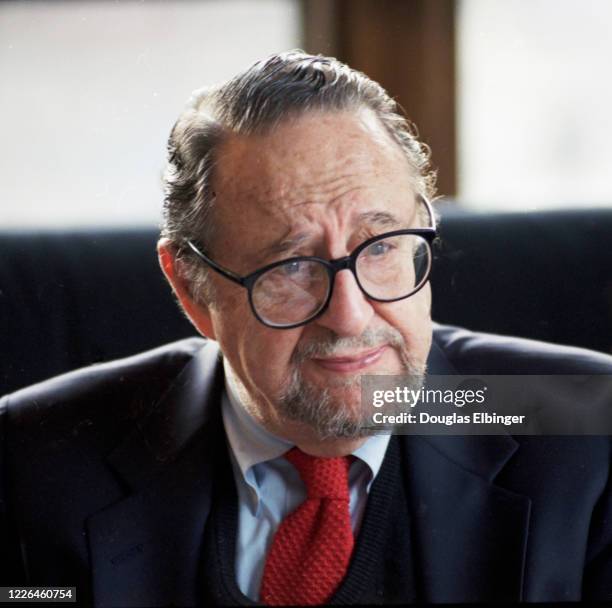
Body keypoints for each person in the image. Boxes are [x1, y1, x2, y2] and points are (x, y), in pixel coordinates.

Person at [1, 51, 611, 606]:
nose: (349, 315)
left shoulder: (585, 423)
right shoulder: (32, 458)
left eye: (380, 247)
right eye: (291, 266)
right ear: (192, 290)